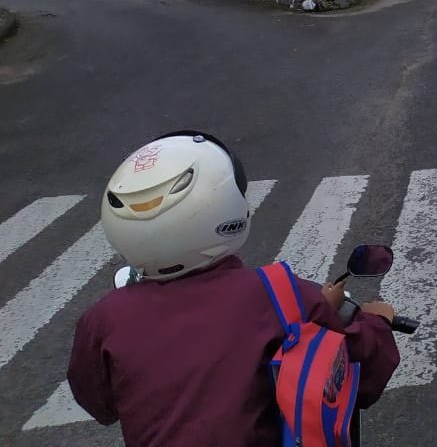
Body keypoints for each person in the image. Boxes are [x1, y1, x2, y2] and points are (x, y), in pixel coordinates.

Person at [67, 132, 401, 447]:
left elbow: (100, 405)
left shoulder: (103, 319)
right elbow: (364, 371)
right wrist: (378, 322)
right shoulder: (280, 294)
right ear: (226, 206)